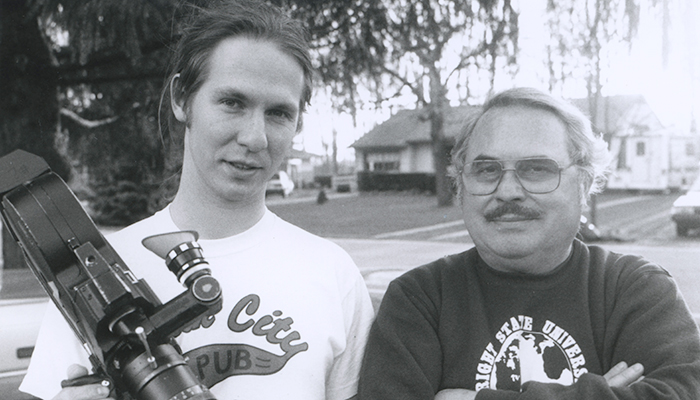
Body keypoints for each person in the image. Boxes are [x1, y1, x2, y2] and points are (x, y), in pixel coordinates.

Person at [20, 1, 374, 399]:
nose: (254, 138)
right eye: (232, 102)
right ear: (181, 99)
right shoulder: (92, 275)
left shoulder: (332, 275)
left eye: (278, 113)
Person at [357, 87, 700, 400]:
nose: (507, 191)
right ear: (461, 186)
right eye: (487, 170)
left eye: (537, 169)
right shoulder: (419, 301)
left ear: (583, 185)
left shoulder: (636, 290)